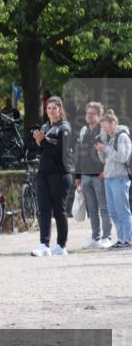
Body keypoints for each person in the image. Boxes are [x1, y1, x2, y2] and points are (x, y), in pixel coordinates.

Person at [30, 96, 73, 256]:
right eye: (49, 108)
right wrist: (37, 142)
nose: (51, 111)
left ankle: (61, 245)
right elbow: (42, 150)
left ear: (60, 110)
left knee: (59, 210)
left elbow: (61, 153)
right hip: (43, 173)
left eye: (54, 108)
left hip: (59, 173)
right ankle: (44, 244)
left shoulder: (64, 128)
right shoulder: (45, 126)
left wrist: (43, 141)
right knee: (43, 209)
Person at [74, 102, 112, 249]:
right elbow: (79, 154)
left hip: (99, 176)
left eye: (92, 113)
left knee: (104, 208)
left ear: (100, 116)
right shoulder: (83, 131)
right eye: (87, 113)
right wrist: (78, 176)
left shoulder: (104, 132)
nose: (89, 115)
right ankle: (95, 238)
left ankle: (107, 237)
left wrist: (106, 170)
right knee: (92, 209)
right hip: (85, 176)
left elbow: (109, 152)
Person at [96, 110, 132, 249]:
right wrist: (101, 151)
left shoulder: (122, 137)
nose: (104, 129)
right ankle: (121, 239)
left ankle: (128, 239)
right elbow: (105, 160)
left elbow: (123, 157)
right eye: (102, 127)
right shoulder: (110, 139)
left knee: (122, 210)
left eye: (105, 126)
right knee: (113, 212)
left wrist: (106, 149)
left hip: (120, 178)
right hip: (109, 178)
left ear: (113, 123)